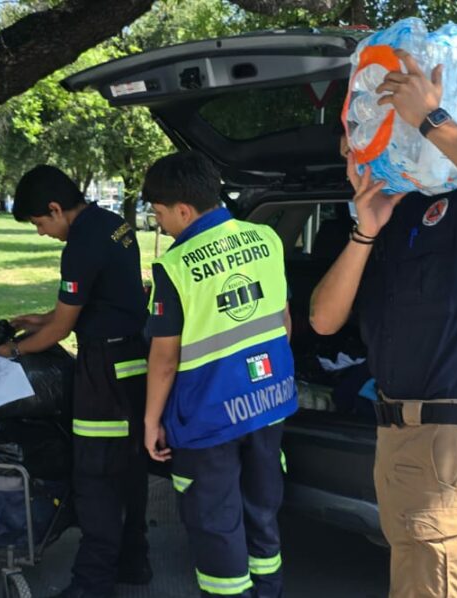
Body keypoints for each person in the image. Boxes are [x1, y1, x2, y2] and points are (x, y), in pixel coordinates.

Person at [308, 50, 457, 598]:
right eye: (349, 154)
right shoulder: (382, 228)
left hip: (446, 438)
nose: (353, 164)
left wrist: (432, 119)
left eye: (361, 149)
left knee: (430, 583)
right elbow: (323, 319)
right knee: (411, 578)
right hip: (394, 433)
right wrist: (364, 231)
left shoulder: (456, 206)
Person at [142, 151, 298, 598]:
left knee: (215, 522)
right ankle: (269, 590)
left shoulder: (174, 265)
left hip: (209, 417)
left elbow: (165, 358)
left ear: (184, 210)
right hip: (269, 403)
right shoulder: (265, 238)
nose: (161, 225)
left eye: (160, 214)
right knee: (261, 510)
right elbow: (284, 320)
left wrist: (152, 421)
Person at [0, 165, 152, 598]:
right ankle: (133, 561)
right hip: (133, 360)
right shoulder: (113, 223)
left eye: (39, 223)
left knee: (96, 476)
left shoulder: (80, 244)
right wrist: (42, 319)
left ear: (54, 208)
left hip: (103, 373)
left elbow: (61, 331)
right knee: (130, 467)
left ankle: (91, 585)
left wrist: (10, 351)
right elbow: (95, 301)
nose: (41, 232)